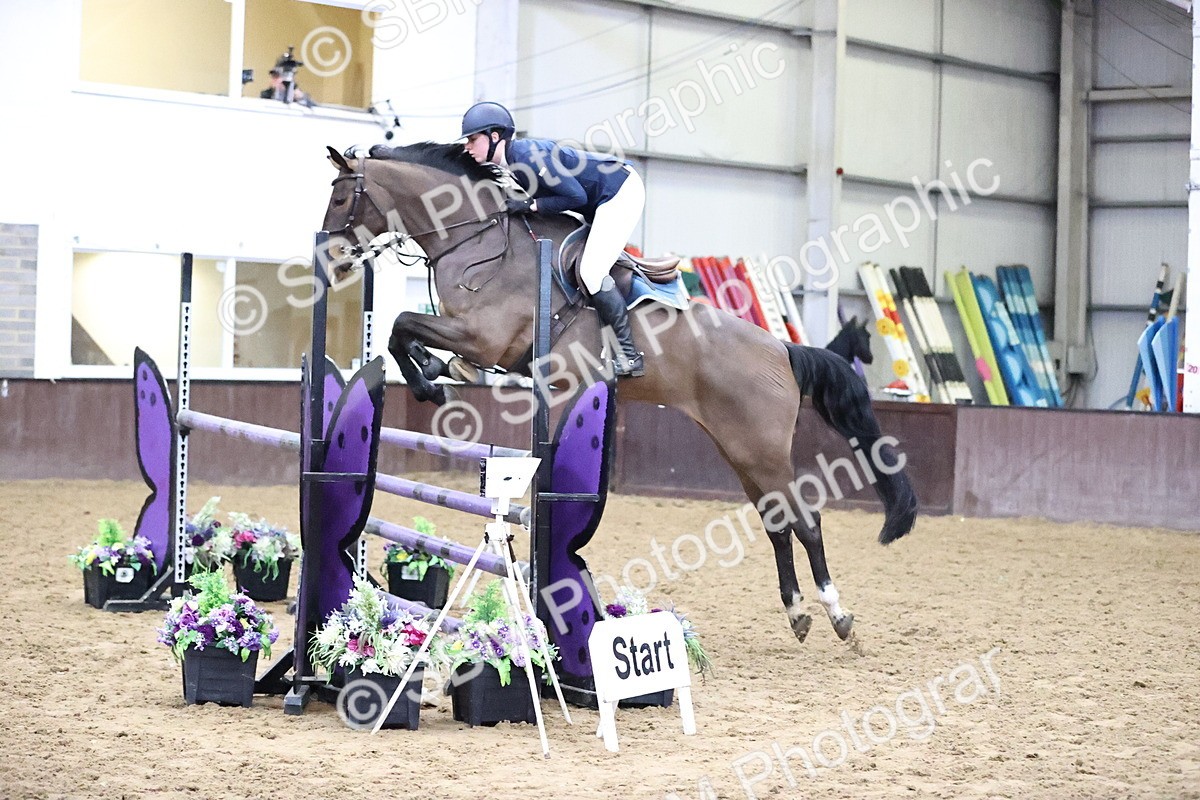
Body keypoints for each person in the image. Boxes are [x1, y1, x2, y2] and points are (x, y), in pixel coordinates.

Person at [461, 101, 645, 377]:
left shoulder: (526, 156)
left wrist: (532, 205)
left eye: (472, 139)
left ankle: (629, 356)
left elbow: (575, 196)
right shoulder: (511, 164)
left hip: (619, 192)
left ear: (494, 136)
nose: (468, 147)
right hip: (597, 201)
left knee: (592, 272)